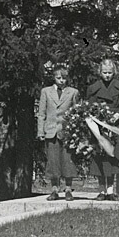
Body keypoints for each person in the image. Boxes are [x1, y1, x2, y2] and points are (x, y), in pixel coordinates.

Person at [85, 58, 119, 200]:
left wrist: (118, 115)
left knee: (112, 160)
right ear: (100, 72)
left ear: (114, 72)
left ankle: (111, 191)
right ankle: (102, 190)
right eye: (105, 72)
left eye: (110, 72)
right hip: (98, 128)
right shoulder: (93, 88)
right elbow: (88, 108)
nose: (107, 75)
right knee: (100, 160)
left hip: (115, 127)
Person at [36, 64, 80, 201]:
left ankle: (68, 189)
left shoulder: (73, 92)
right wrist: (40, 131)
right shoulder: (46, 92)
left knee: (68, 161)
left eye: (64, 78)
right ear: (54, 78)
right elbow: (41, 113)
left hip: (67, 132)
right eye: (59, 78)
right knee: (53, 161)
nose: (61, 80)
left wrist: (76, 131)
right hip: (50, 131)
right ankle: (54, 189)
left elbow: (77, 112)